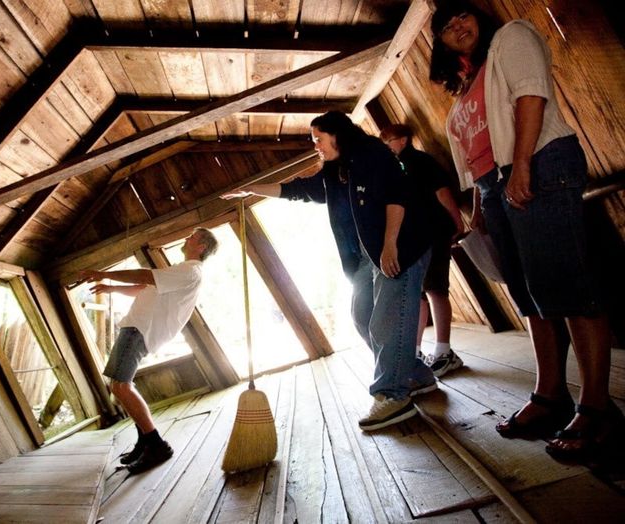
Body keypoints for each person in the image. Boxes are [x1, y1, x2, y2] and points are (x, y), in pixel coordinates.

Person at [429, 0, 622, 460]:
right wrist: (479, 206)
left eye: (462, 14)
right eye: (445, 25)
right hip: (494, 185)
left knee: (566, 285)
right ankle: (549, 396)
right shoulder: (467, 85)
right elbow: (476, 153)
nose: (457, 24)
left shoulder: (510, 38)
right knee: (529, 295)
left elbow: (531, 96)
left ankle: (598, 409)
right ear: (439, 42)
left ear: (479, 19)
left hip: (539, 162)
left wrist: (522, 167)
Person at [224, 111, 436, 432]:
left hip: (401, 245)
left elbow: (398, 196)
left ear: (337, 134)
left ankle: (393, 395)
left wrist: (391, 244)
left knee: (386, 322)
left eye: (318, 139)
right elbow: (298, 190)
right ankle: (415, 375)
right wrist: (252, 189)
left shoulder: (372, 154)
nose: (316, 147)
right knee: (362, 316)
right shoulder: (336, 172)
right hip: (368, 257)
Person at [79, 228, 218, 473]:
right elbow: (145, 288)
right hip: (137, 328)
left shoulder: (190, 270)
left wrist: (102, 273)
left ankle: (156, 444)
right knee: (120, 385)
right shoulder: (181, 271)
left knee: (121, 385)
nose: (187, 238)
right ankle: (145, 440)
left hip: (140, 329)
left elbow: (145, 277)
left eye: (193, 237)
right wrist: (111, 288)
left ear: (202, 247)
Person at [380, 124, 465, 377]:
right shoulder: (395, 169)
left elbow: (442, 192)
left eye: (389, 140)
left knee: (436, 288)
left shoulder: (421, 161)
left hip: (434, 231)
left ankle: (444, 351)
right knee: (418, 292)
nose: (386, 146)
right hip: (415, 237)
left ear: (404, 140)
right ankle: (415, 352)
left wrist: (457, 221)